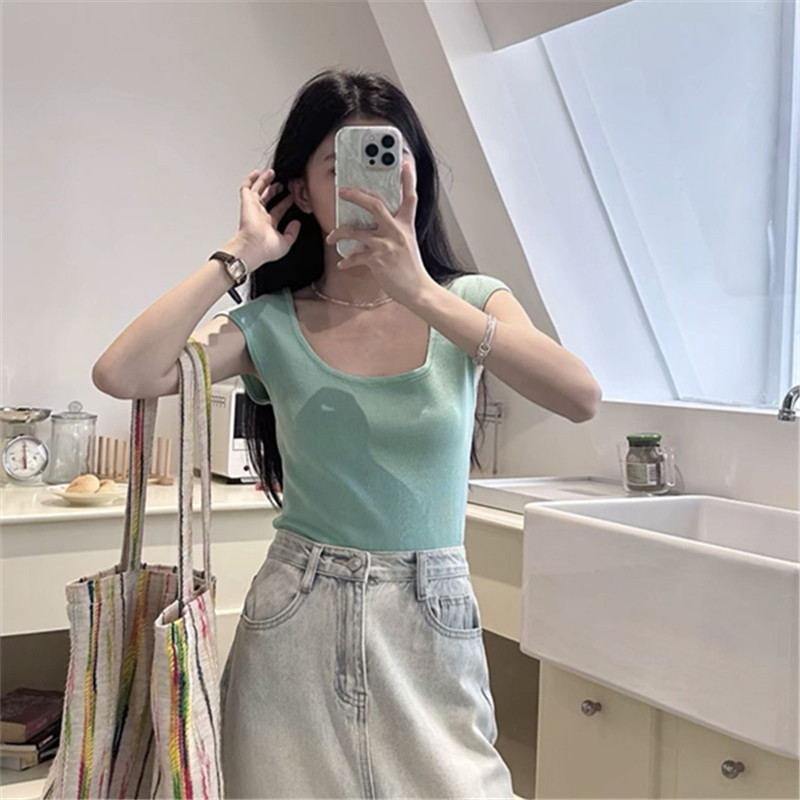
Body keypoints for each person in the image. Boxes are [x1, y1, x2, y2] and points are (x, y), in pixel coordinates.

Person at [93, 67, 601, 799]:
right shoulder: (270, 324)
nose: (370, 184)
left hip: (429, 617)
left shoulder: (469, 302)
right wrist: (239, 254)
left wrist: (417, 290)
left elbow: (580, 396)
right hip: (296, 614)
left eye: (390, 156)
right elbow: (123, 373)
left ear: (416, 173)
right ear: (300, 191)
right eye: (340, 167)